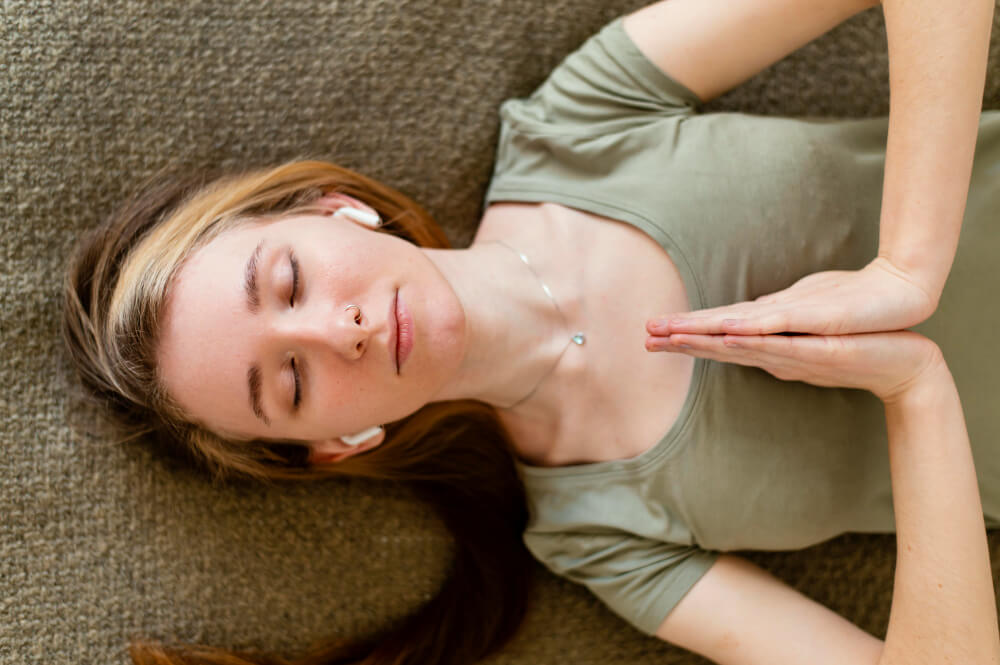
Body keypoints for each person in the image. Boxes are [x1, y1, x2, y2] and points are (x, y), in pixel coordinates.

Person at [60, 0, 1000, 664]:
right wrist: (913, 389)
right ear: (338, 444)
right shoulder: (600, 533)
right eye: (291, 382)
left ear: (335, 208)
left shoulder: (574, 124)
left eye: (290, 280)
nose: (335, 328)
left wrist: (906, 269)